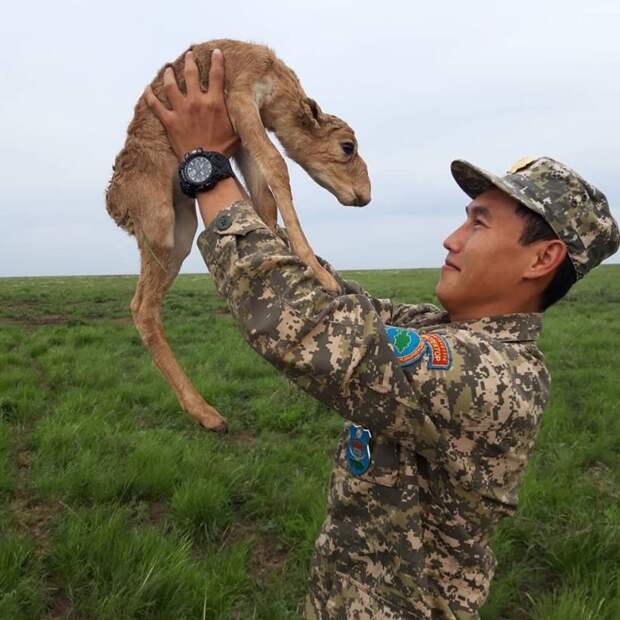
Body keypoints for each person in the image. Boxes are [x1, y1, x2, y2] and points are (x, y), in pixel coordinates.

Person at [144, 49, 620, 619]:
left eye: (478, 223)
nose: (451, 238)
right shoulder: (438, 329)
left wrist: (204, 166)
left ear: (543, 258)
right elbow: (330, 299)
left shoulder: (496, 376)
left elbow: (307, 328)